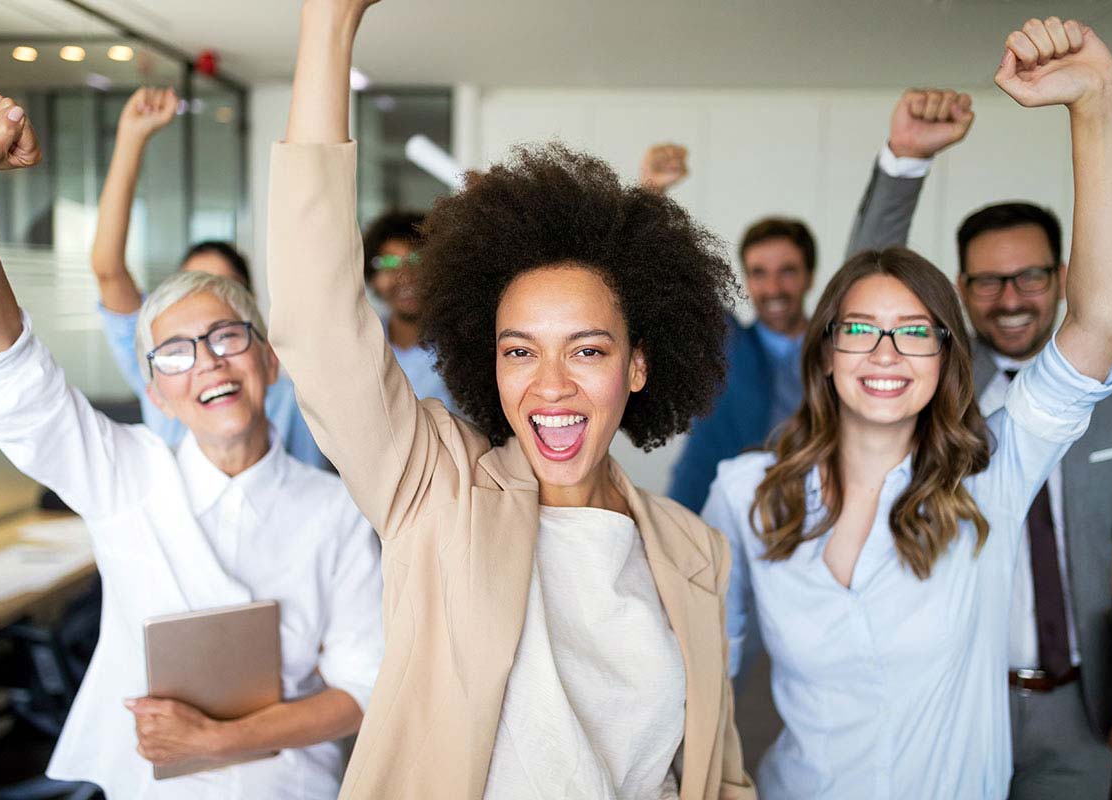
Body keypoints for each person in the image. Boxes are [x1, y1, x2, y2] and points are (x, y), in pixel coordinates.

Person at [266, 1, 754, 797]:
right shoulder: (438, 492)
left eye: (588, 350)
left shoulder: (693, 550)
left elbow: (716, 771)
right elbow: (318, 324)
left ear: (638, 366)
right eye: (518, 350)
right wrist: (328, 23)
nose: (551, 384)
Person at [701, 17, 1112, 799]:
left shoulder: (989, 475)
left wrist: (1098, 104)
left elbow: (1098, 322)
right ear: (825, 352)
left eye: (914, 333)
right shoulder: (746, 492)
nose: (886, 353)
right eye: (860, 329)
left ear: (944, 357)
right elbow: (706, 673)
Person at [0, 96, 383, 799]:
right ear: (154, 387)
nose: (206, 361)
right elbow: (7, 374)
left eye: (227, 338)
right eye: (175, 353)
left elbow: (361, 688)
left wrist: (221, 740)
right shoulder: (126, 474)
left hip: (290, 785)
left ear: (268, 361)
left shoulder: (338, 511)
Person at [849, 83, 1112, 800]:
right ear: (962, 289)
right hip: (948, 701)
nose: (1010, 298)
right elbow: (860, 295)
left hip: (1085, 708)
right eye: (990, 281)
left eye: (1030, 276)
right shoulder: (927, 385)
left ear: (1064, 277)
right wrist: (904, 163)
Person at [662, 87, 973, 513]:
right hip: (708, 520)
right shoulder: (723, 341)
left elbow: (870, 260)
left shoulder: (845, 342)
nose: (773, 288)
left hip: (817, 523)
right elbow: (668, 282)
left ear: (810, 275)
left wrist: (906, 158)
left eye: (787, 271)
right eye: (759, 273)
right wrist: (651, 196)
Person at [90, 86, 328, 469]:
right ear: (157, 395)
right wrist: (132, 138)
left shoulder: (289, 398)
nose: (204, 359)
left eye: (220, 322)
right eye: (189, 289)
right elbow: (108, 269)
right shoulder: (163, 365)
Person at [361, 210, 455, 408]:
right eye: (389, 263)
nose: (404, 275)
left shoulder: (460, 345)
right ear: (373, 279)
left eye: (416, 260)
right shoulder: (363, 344)